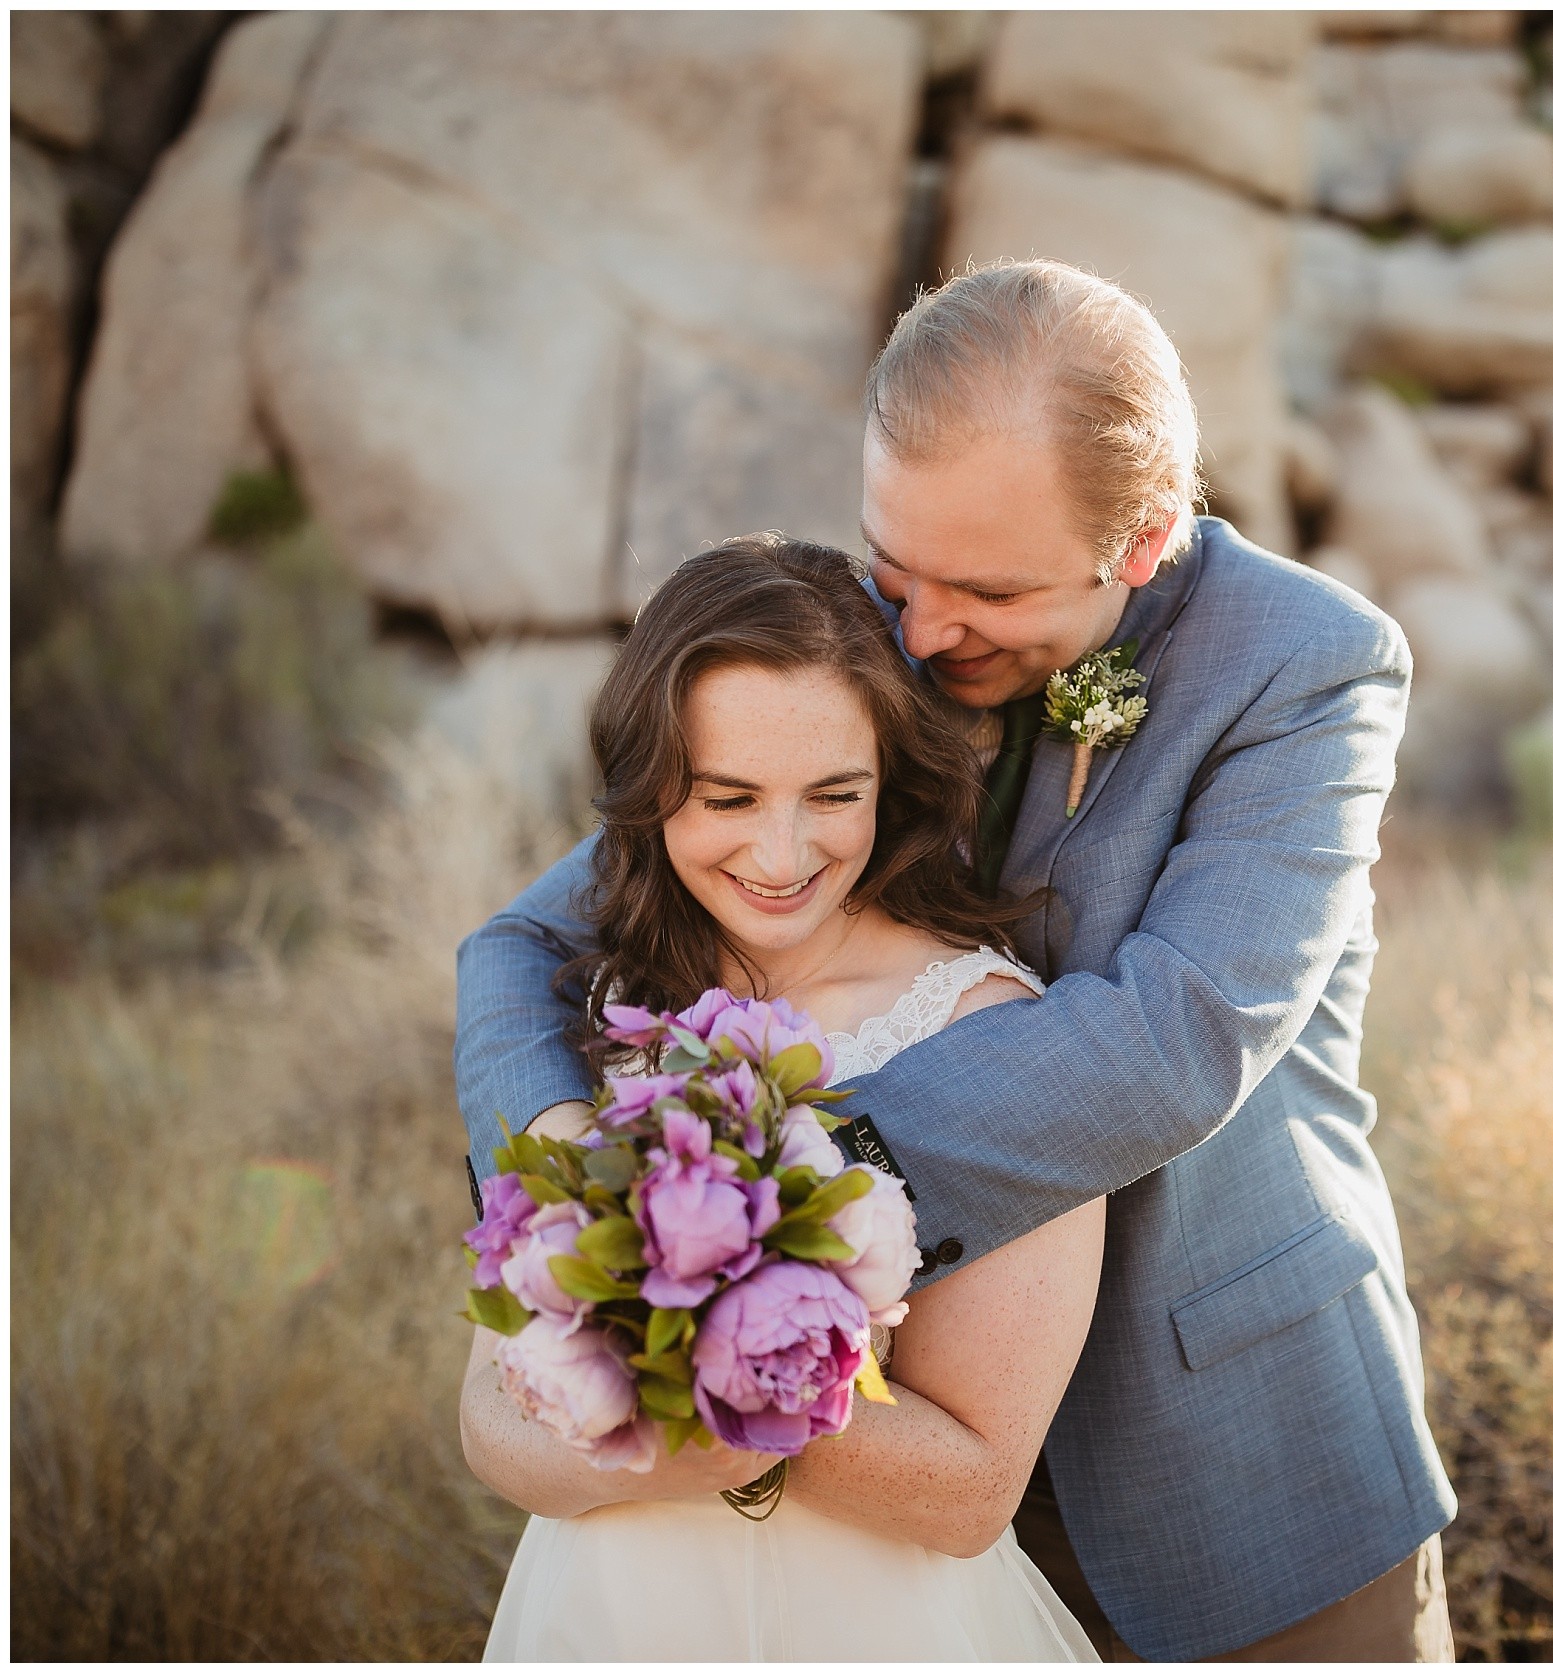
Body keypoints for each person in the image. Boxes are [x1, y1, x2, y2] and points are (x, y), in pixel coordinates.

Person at [458, 259, 1458, 1661]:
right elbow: (526, 944)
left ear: (1146, 537)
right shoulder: (860, 624)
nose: (918, 635)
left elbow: (1176, 1042)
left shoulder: (1306, 667)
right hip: (877, 1456)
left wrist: (753, 1214)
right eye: (892, 566)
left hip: (1235, 1466)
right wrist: (576, 1175)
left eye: (987, 591)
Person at [464, 534, 1103, 1660]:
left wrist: (733, 1380)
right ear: (653, 788)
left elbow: (972, 1492)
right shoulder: (605, 1000)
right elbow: (489, 1417)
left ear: (888, 779)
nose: (781, 850)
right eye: (727, 795)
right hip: (608, 1613)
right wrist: (655, 1431)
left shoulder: (991, 1029)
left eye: (833, 794)